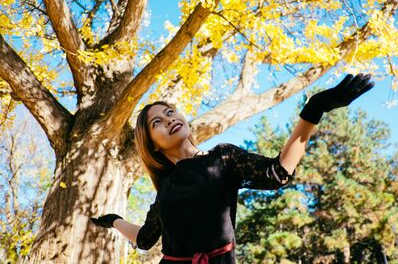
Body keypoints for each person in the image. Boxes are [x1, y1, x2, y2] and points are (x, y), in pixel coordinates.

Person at [91, 73, 375, 263]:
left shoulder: (223, 158)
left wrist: (315, 109)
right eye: (157, 123)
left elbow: (278, 172)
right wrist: (114, 220)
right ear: (152, 145)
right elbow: (144, 239)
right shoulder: (165, 187)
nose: (168, 119)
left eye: (170, 112)